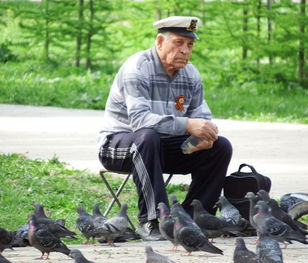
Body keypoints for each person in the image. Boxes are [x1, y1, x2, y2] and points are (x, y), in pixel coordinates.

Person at [97, 16, 232, 241]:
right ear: (160, 42)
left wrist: (204, 137)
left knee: (221, 147)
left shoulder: (191, 75)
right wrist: (189, 125)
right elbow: (140, 121)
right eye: (178, 43)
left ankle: (191, 221)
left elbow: (201, 119)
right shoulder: (137, 68)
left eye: (190, 45)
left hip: (160, 150)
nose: (185, 51)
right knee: (148, 137)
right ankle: (153, 221)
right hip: (118, 146)